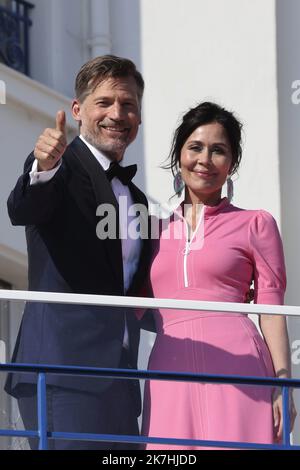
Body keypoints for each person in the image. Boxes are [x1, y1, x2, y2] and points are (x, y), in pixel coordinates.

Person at [5, 55, 152, 450]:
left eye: (128, 104)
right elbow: (22, 208)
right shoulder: (59, 167)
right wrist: (42, 165)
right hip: (62, 372)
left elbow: (139, 291)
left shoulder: (137, 200)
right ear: (77, 111)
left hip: (121, 382)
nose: (117, 114)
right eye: (104, 103)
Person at [140, 101, 297, 449]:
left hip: (238, 364)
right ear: (179, 155)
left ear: (232, 164)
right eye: (195, 147)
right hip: (169, 365)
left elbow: (272, 310)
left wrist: (283, 385)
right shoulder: (151, 229)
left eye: (218, 151)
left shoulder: (256, 223)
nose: (205, 160)